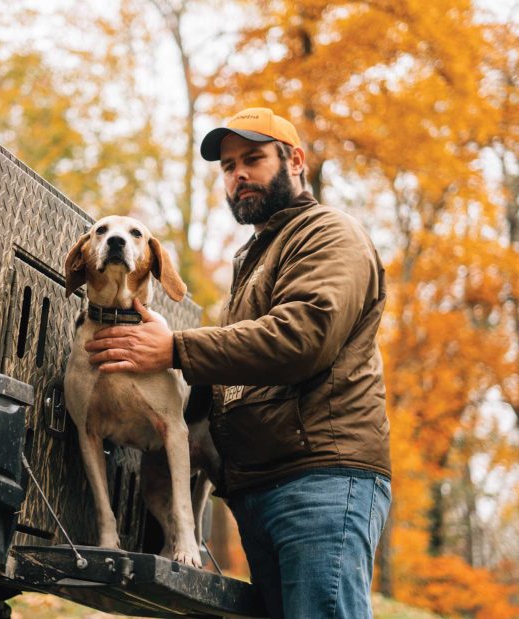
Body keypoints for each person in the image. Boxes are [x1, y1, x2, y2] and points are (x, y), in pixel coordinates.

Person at [85, 107, 392, 619]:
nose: (238, 175)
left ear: (295, 161)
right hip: (262, 488)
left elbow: (302, 338)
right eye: (228, 167)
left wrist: (176, 350)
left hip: (321, 481)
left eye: (252, 159)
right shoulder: (255, 260)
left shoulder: (329, 235)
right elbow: (226, 378)